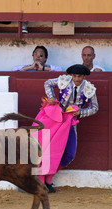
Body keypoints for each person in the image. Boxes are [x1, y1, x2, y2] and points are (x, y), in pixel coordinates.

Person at [40, 64, 98, 192]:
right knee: (49, 149)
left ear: (84, 76)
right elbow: (47, 83)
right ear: (71, 75)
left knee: (69, 153)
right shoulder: (64, 80)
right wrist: (51, 97)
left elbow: (95, 108)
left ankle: (49, 177)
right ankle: (43, 180)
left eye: (80, 76)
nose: (77, 79)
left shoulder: (88, 88)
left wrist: (81, 113)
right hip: (55, 118)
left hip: (70, 123)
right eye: (75, 76)